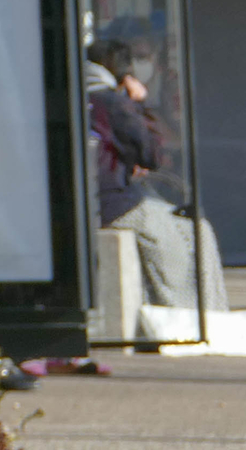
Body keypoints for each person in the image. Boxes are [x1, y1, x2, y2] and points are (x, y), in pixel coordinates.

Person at [85, 38, 230, 317]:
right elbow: (150, 153)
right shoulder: (112, 102)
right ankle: (196, 313)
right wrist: (137, 102)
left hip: (100, 199)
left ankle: (199, 311)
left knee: (180, 228)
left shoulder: (79, 97)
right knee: (187, 236)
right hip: (113, 202)